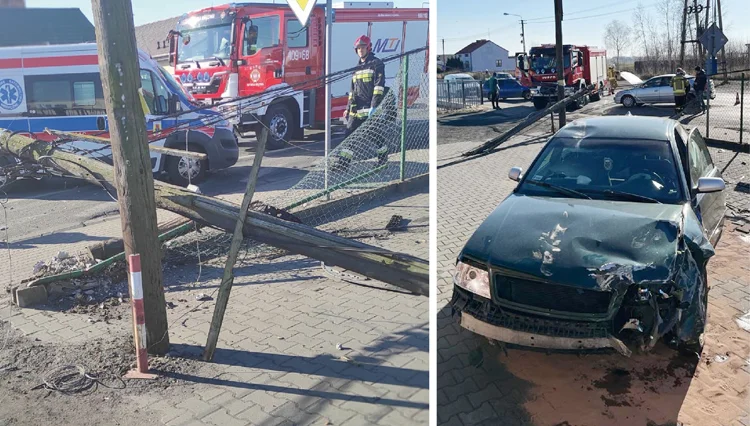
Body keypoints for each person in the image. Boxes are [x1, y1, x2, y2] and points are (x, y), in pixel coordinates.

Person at [334, 35, 387, 170]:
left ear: (368, 48)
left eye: (363, 47)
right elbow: (353, 90)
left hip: (369, 109)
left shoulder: (377, 63)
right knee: (349, 137)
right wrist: (347, 107)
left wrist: (374, 106)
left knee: (375, 136)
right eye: (358, 48)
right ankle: (343, 164)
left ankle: (383, 160)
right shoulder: (357, 67)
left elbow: (379, 86)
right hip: (356, 111)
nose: (360, 50)